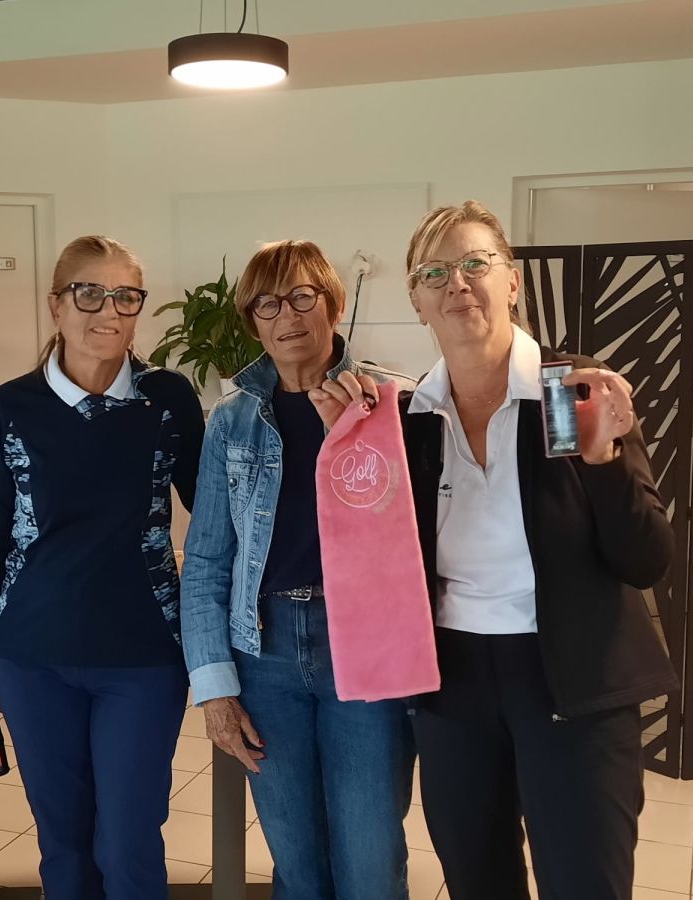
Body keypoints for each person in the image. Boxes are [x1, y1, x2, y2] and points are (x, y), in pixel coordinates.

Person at [310, 201, 680, 900]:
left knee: (584, 883)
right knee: (477, 881)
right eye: (434, 273)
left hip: (570, 680)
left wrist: (603, 465)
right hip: (454, 686)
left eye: (475, 263)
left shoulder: (566, 393)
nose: (457, 283)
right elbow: (376, 563)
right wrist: (350, 451)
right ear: (418, 301)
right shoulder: (409, 419)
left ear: (511, 282)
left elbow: (645, 561)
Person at [0, 236, 204, 900]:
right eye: (89, 293)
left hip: (144, 657)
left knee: (128, 844)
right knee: (63, 846)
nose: (109, 311)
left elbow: (214, 521)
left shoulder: (167, 400)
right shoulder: (13, 406)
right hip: (32, 657)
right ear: (56, 306)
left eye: (126, 296)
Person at [181, 240, 417, 899]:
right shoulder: (231, 422)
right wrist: (214, 689)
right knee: (297, 865)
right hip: (265, 656)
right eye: (267, 304)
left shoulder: (389, 405)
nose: (286, 315)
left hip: (363, 651)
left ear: (333, 306)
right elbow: (206, 562)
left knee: (370, 864)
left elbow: (413, 542)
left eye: (301, 296)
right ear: (252, 322)